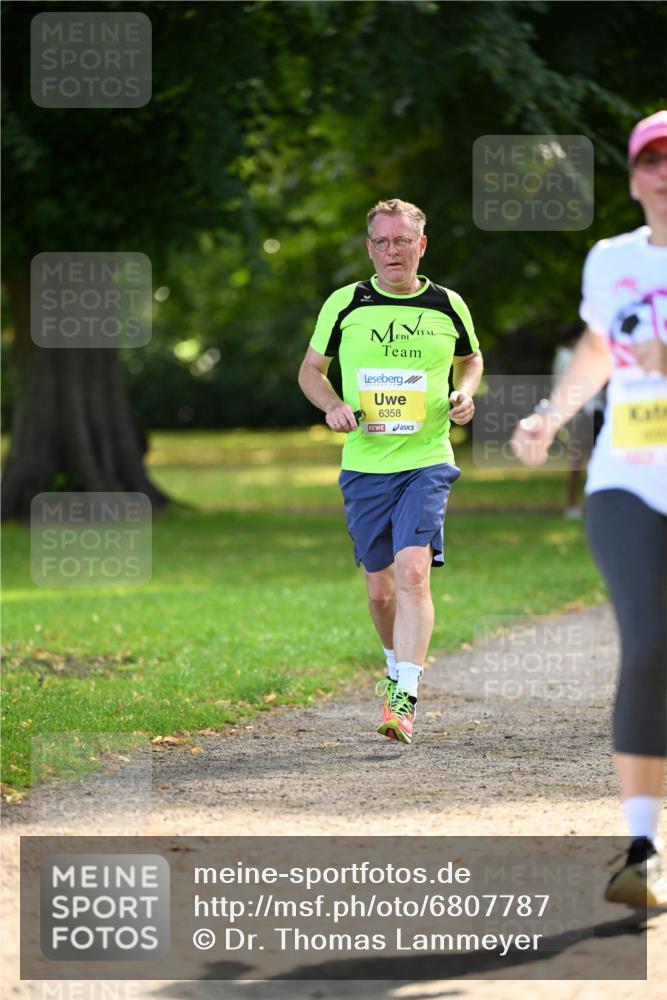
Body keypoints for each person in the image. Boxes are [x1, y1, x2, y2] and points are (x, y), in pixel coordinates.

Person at [510, 111, 667, 905]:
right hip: (629, 476)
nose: (665, 173)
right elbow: (600, 346)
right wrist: (550, 412)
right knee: (646, 648)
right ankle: (645, 847)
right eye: (652, 161)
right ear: (634, 175)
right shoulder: (609, 259)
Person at [298, 199, 483, 744]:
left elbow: (471, 359)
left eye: (401, 241)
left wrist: (464, 393)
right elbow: (311, 371)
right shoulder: (346, 303)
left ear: (421, 245)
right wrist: (330, 404)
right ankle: (392, 662)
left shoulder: (448, 305)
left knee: (412, 574)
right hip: (364, 466)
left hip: (426, 460)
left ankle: (404, 695)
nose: (390, 251)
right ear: (369, 248)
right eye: (380, 242)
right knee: (380, 593)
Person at [551, 326, 607, 519]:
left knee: (594, 462)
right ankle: (574, 505)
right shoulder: (567, 357)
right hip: (580, 415)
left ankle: (589, 505)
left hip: (594, 413)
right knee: (578, 463)